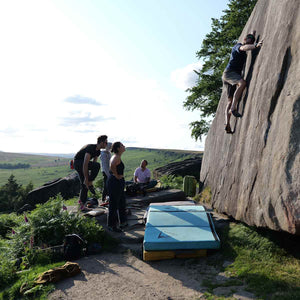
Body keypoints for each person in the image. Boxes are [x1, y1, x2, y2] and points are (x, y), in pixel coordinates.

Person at [222, 31, 263, 133]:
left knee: (229, 100)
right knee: (242, 83)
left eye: (252, 40)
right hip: (230, 73)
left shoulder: (245, 49)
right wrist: (255, 45)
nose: (251, 40)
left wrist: (253, 34)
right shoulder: (238, 46)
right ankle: (233, 108)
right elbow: (244, 47)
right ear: (244, 39)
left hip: (230, 75)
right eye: (249, 39)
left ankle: (227, 123)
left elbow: (250, 39)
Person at [74, 135, 108, 204]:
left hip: (82, 164)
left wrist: (89, 177)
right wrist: (87, 178)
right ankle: (89, 183)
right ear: (101, 142)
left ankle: (82, 205)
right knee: (97, 166)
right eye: (105, 143)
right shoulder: (91, 148)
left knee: (84, 185)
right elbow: (85, 164)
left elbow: (93, 165)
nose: (106, 144)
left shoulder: (98, 151)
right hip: (78, 162)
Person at [107, 142, 127, 232]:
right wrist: (116, 175)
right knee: (114, 204)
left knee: (121, 202)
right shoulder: (116, 157)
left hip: (117, 181)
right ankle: (112, 226)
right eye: (122, 145)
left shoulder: (116, 156)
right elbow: (112, 165)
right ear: (118, 148)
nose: (124, 146)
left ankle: (123, 222)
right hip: (115, 182)